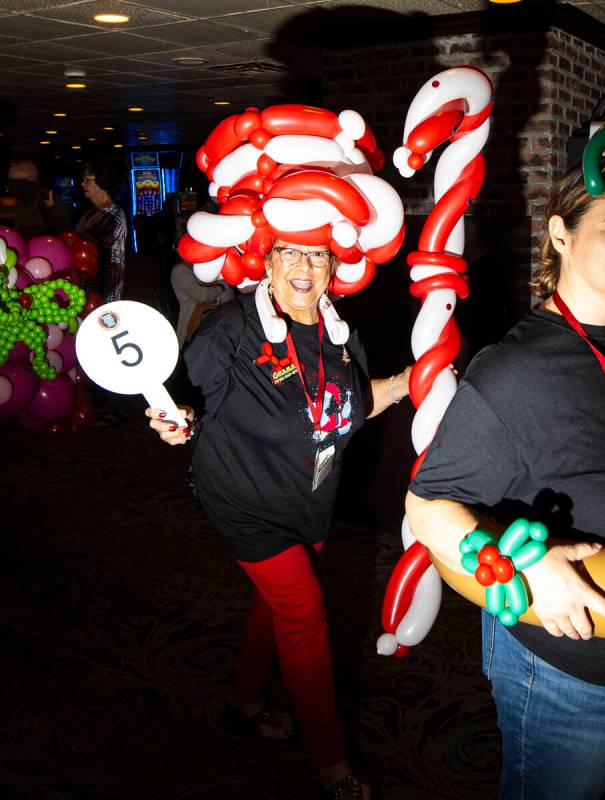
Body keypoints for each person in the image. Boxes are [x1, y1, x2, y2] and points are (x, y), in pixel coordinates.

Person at [147, 240, 411, 800]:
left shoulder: (341, 336)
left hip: (309, 501)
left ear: (335, 267)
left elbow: (353, 407)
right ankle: (332, 764)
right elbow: (180, 398)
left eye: (318, 257)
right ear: (266, 262)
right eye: (289, 253)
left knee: (275, 604)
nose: (304, 268)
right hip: (242, 500)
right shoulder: (232, 330)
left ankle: (244, 701)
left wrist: (414, 382)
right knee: (304, 611)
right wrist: (175, 420)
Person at [405, 157, 605, 799]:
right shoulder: (515, 372)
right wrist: (529, 569)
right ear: (560, 234)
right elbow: (427, 506)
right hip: (569, 673)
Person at [77, 161, 128, 425]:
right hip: (91, 293)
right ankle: (100, 404)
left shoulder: (109, 214)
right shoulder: (93, 213)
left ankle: (113, 407)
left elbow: (76, 245)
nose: (84, 185)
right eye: (83, 180)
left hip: (105, 295)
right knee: (96, 349)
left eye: (90, 180)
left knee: (107, 351)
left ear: (103, 184)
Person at [170, 261, 234, 348]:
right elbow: (202, 296)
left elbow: (229, 293)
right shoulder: (180, 270)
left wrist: (219, 291)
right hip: (191, 328)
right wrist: (220, 288)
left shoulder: (203, 267)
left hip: (212, 323)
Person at [7, 160, 72, 238]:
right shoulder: (21, 202)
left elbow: (66, 232)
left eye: (16, 183)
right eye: (11, 183)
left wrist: (52, 211)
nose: (13, 189)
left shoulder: (48, 199)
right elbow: (18, 233)